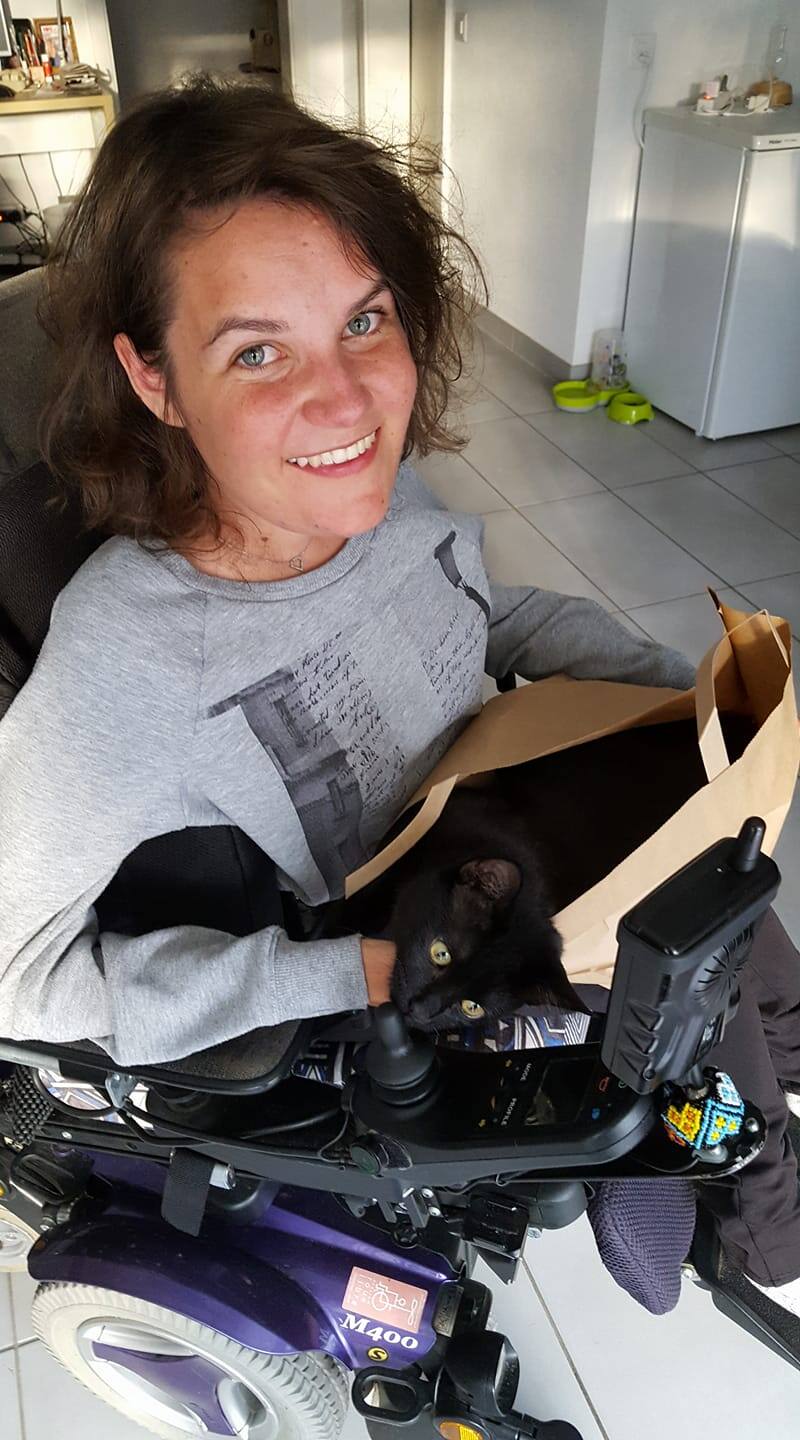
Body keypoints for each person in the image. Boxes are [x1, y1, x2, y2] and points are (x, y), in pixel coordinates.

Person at [0, 75, 797, 1320]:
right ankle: (747, 1219)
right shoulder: (128, 662)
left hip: (525, 801)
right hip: (446, 943)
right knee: (713, 1085)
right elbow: (20, 978)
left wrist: (692, 696)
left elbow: (476, 605)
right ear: (153, 380)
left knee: (742, 903)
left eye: (364, 322)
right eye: (256, 349)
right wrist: (351, 977)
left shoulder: (364, 483)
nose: (348, 401)